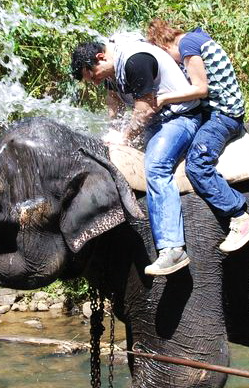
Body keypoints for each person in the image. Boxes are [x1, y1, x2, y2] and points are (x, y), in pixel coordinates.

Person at [71, 37, 202, 276]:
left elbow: (146, 108)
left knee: (156, 167)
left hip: (180, 119)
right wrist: (112, 131)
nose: (95, 82)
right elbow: (114, 105)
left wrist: (125, 137)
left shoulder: (135, 60)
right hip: (156, 121)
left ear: (100, 58)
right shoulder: (111, 68)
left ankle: (173, 248)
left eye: (94, 76)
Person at [147, 20, 249, 252]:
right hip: (220, 113)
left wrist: (163, 99)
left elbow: (200, 88)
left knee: (197, 165)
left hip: (223, 117)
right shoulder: (197, 39)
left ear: (166, 46)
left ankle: (239, 216)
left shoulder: (188, 44)